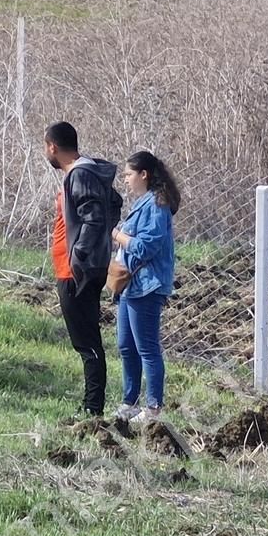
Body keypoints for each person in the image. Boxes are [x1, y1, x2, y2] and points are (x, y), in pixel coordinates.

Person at [44, 121, 120, 418]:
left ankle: (93, 408)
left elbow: (95, 216)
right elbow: (114, 203)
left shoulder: (80, 173)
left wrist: (80, 254)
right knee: (86, 340)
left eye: (45, 147)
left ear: (52, 147)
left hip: (76, 271)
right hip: (78, 268)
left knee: (86, 341)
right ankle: (91, 405)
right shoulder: (84, 172)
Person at [112, 151, 180, 426]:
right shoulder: (143, 203)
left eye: (129, 174)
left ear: (144, 174)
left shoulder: (156, 205)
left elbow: (146, 247)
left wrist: (117, 235)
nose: (126, 180)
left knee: (147, 348)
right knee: (126, 345)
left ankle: (153, 409)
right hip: (131, 285)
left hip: (147, 286)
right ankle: (130, 402)